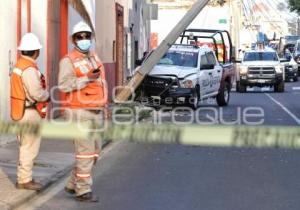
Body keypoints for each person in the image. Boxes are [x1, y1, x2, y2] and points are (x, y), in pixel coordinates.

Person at [58, 21, 108, 202]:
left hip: (96, 111)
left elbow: (102, 84)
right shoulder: (68, 60)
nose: (84, 39)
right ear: (74, 39)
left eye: (87, 36)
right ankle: (83, 191)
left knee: (94, 152)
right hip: (79, 111)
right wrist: (86, 78)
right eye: (80, 36)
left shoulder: (94, 58)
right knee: (85, 152)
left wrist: (105, 106)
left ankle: (73, 184)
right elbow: (64, 85)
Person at [11, 33, 49, 191]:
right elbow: (36, 92)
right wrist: (47, 95)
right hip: (30, 111)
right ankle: (25, 180)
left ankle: (23, 177)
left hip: (19, 111)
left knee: (25, 145)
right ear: (36, 52)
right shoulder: (29, 68)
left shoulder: (19, 66)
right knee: (29, 146)